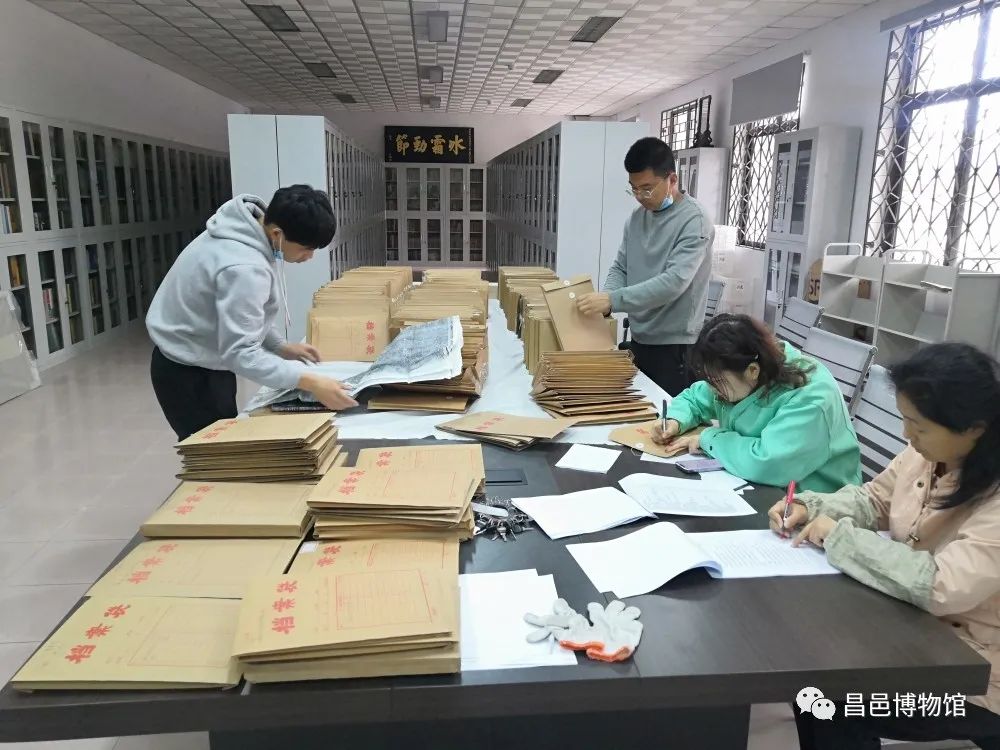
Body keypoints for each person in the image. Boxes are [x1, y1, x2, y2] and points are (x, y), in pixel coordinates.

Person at [770, 343, 1000, 750]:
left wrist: (839, 537)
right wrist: (812, 506)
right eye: (905, 420)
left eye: (919, 427)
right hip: (915, 628)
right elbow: (875, 500)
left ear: (974, 428)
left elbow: (942, 586)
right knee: (811, 663)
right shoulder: (927, 454)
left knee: (826, 699)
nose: (907, 436)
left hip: (977, 669)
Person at [147, 185, 357, 440]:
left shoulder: (246, 231)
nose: (309, 257)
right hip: (188, 370)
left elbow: (243, 314)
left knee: (226, 438)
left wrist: (280, 346)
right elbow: (240, 353)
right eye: (306, 248)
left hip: (206, 356)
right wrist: (309, 382)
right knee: (214, 450)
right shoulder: (243, 267)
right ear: (277, 233)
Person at [652, 314, 861, 492]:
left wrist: (709, 438)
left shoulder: (811, 397)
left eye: (717, 382)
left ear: (753, 370)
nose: (712, 389)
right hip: (759, 486)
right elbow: (695, 398)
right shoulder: (737, 372)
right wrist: (674, 420)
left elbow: (768, 462)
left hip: (813, 504)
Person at [575, 137, 713, 396]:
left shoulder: (694, 220)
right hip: (640, 340)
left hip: (675, 348)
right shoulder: (637, 219)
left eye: (647, 189)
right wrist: (605, 299)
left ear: (672, 179)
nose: (640, 197)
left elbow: (673, 283)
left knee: (668, 415)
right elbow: (621, 267)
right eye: (634, 189)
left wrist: (613, 300)